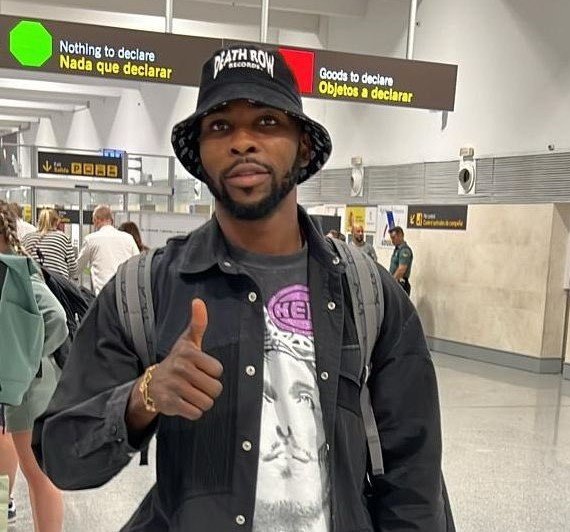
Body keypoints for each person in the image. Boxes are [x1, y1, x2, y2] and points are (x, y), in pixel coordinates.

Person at [36, 45, 448, 531]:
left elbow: (414, 479)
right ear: (201, 156)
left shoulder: (368, 294)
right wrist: (144, 395)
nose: (243, 142)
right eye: (220, 126)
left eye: (268, 123)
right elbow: (62, 456)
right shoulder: (147, 290)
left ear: (304, 147)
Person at [0, 201, 68, 532]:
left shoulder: (13, 269)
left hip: (29, 386)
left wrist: (28, 357)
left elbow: (56, 317)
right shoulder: (13, 265)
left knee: (38, 473)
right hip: (19, 385)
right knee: (25, 470)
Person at [77, 205, 139, 295]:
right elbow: (137, 263)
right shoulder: (128, 238)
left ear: (96, 220)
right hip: (125, 293)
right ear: (111, 220)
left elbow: (78, 268)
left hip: (104, 295)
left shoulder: (91, 239)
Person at [23, 208, 78, 281]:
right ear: (56, 222)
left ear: (39, 221)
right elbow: (73, 269)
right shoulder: (63, 237)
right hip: (58, 286)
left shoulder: (27, 238)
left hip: (34, 284)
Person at [388, 226, 413, 296]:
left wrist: (391, 283)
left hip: (401, 284)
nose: (392, 240)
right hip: (396, 283)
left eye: (393, 238)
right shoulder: (397, 250)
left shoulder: (404, 250)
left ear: (400, 236)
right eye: (391, 238)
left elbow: (401, 270)